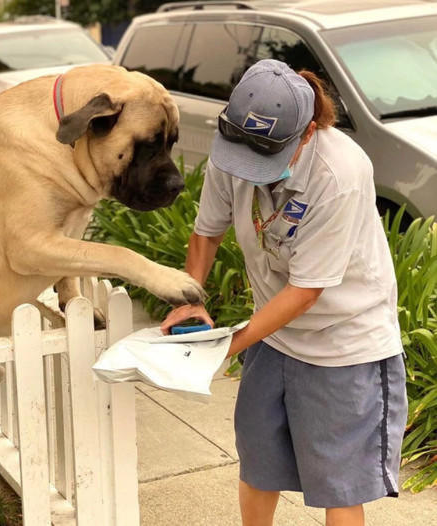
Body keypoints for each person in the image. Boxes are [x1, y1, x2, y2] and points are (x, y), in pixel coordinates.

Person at [161, 59, 408, 526]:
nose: (250, 172)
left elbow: (306, 291)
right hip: (275, 335)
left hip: (343, 343)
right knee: (259, 462)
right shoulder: (232, 149)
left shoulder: (340, 173)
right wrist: (189, 300)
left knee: (338, 484)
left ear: (308, 133)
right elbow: (206, 233)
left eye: (266, 159)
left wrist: (227, 344)